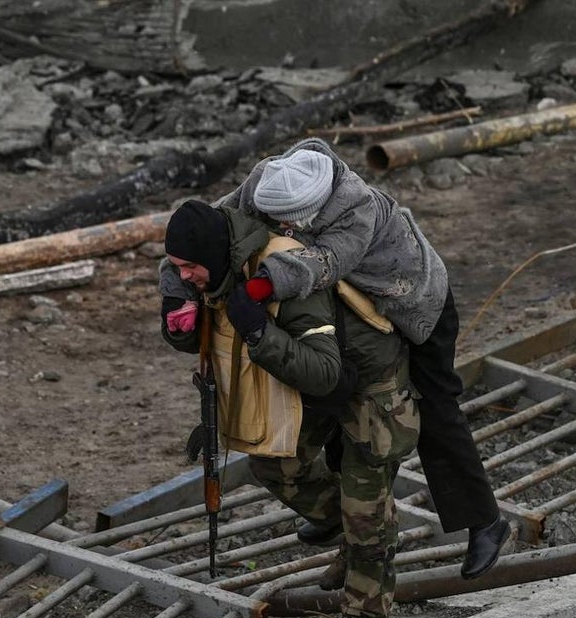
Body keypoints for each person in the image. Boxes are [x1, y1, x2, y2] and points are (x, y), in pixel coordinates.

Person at [216, 138, 510, 579]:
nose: (283, 230)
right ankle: (347, 534)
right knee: (344, 408)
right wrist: (177, 286)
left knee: (431, 411)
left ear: (313, 207)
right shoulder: (269, 180)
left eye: (290, 224)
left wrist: (260, 286)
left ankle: (484, 520)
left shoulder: (356, 206)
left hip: (413, 302)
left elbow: (325, 262)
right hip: (359, 311)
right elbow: (217, 224)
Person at [159, 199, 419, 618]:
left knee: (366, 505)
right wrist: (181, 323)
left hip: (371, 387)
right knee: (276, 465)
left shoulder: (285, 272)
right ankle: (358, 539)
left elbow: (323, 371)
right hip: (315, 383)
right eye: (176, 268)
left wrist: (259, 331)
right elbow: (217, 331)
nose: (183, 277)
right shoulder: (222, 268)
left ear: (211, 253)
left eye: (188, 268)